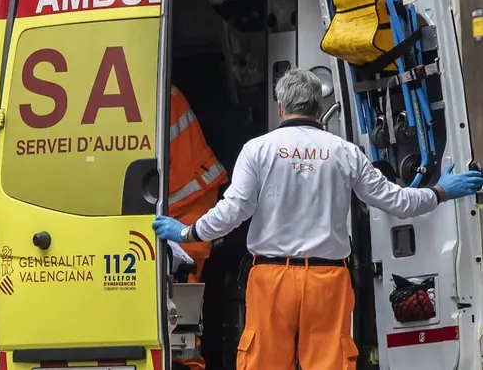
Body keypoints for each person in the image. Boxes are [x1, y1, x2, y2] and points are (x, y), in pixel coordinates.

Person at [153, 69, 483, 370]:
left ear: (280, 106)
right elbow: (397, 202)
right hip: (328, 281)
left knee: (262, 363)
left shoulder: (258, 150)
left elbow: (232, 212)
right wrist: (441, 190)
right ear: (318, 106)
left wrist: (187, 231)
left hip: (271, 279)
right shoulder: (345, 152)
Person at [168, 84, 228, 283]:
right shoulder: (161, 89)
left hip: (188, 194)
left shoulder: (148, 90)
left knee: (182, 281)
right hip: (192, 188)